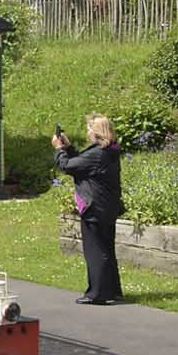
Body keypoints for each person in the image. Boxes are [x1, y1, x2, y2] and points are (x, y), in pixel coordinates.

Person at [53, 114, 124, 305]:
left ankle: (98, 294)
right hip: (108, 206)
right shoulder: (109, 151)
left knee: (95, 251)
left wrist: (60, 150)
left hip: (95, 208)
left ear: (96, 132)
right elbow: (82, 164)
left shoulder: (97, 154)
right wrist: (68, 148)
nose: (87, 132)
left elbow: (67, 166)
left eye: (89, 129)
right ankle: (113, 291)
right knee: (107, 250)